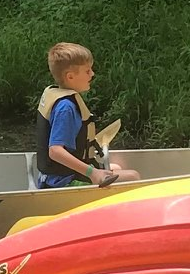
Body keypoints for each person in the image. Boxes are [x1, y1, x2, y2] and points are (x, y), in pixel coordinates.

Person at [35, 41, 141, 189]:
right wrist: (93, 173)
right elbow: (55, 152)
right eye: (87, 71)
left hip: (61, 175)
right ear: (70, 77)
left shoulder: (61, 96)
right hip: (63, 181)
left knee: (116, 167)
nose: (92, 74)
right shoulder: (66, 108)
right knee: (133, 177)